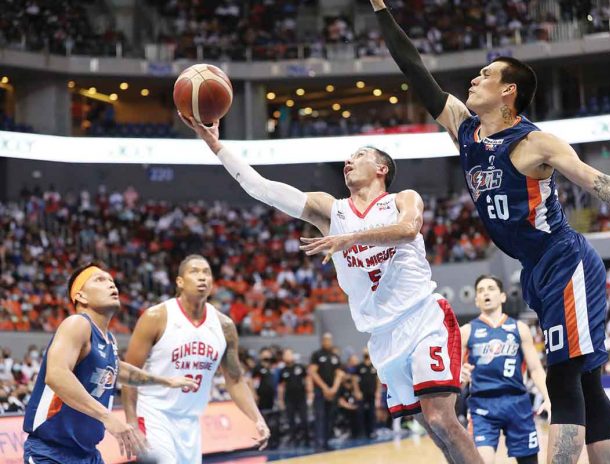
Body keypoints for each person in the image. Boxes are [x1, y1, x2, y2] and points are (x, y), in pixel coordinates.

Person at [370, 1, 610, 461]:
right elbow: (415, 69)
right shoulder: (464, 129)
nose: (474, 80)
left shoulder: (535, 142)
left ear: (508, 91)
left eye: (484, 75)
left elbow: (600, 185)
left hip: (565, 259)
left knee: (564, 375)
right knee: (585, 377)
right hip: (535, 271)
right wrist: (381, 9)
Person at [180, 113, 483, 464]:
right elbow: (262, 189)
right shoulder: (331, 210)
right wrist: (216, 145)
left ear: (381, 168)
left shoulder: (403, 198)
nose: (348, 161)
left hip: (422, 317)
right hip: (382, 335)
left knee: (440, 417)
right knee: (431, 427)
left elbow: (408, 229)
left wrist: (350, 238)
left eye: (358, 155)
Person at [22, 263, 196, 464]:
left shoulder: (108, 340)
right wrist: (107, 417)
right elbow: (56, 375)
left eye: (112, 281)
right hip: (52, 453)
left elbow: (121, 371)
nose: (111, 285)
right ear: (81, 296)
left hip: (88, 455)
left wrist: (166, 381)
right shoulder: (77, 324)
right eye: (100, 280)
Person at [122, 255, 270, 464]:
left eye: (206, 272)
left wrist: (257, 418)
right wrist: (131, 422)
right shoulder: (156, 317)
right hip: (155, 414)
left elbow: (235, 380)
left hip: (191, 422)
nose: (202, 277)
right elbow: (129, 372)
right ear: (180, 282)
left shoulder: (224, 326)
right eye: (194, 271)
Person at [460, 275, 551, 464]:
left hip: (517, 403)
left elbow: (535, 369)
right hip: (482, 405)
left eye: (491, 288)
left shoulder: (520, 328)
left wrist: (548, 397)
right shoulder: (466, 331)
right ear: (476, 300)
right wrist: (459, 374)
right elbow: (454, 372)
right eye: (481, 290)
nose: (486, 292)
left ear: (502, 296)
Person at [308, 333, 343, 449]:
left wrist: (334, 388)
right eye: (325, 340)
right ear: (322, 341)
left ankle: (327, 443)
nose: (327, 342)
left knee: (330, 417)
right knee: (320, 417)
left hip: (332, 392)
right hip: (320, 391)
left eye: (329, 340)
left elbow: (339, 374)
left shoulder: (335, 356)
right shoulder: (317, 355)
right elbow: (313, 372)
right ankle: (319, 444)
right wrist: (325, 388)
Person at [277, 348, 312, 447]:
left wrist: (310, 394)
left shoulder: (300, 367)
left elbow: (308, 379)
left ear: (293, 356)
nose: (288, 356)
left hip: (301, 397)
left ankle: (306, 439)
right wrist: (281, 400)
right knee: (290, 420)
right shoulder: (282, 371)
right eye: (286, 354)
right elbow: (281, 386)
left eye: (289, 354)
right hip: (289, 399)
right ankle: (294, 440)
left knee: (304, 419)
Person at [356, 348, 381, 439]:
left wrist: (378, 391)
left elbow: (378, 380)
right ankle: (362, 432)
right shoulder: (359, 366)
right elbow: (354, 380)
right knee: (361, 413)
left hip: (372, 393)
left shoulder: (374, 366)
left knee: (372, 412)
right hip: (362, 394)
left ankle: (372, 431)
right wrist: (357, 391)